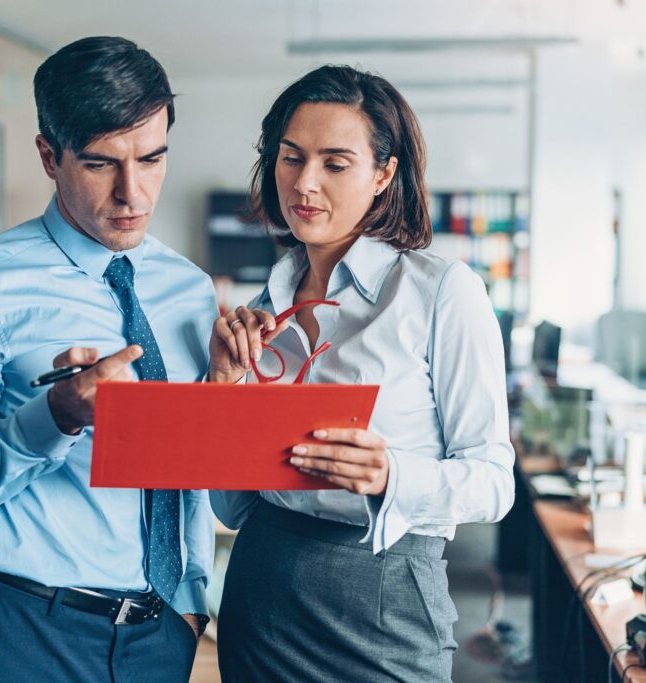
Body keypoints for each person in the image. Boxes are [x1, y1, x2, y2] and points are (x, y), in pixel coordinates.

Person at [0, 37, 215, 682]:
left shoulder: (190, 289)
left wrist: (190, 604)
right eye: (101, 164)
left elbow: (189, 471)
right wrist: (54, 418)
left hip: (160, 637)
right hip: (21, 633)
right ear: (50, 155)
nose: (133, 193)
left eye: (152, 159)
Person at [208, 65, 515, 682]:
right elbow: (234, 506)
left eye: (335, 163)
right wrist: (225, 388)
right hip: (259, 591)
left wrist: (391, 474)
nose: (305, 183)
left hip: (384, 600)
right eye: (290, 158)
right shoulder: (261, 310)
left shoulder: (440, 293)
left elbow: (493, 482)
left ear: (383, 174)